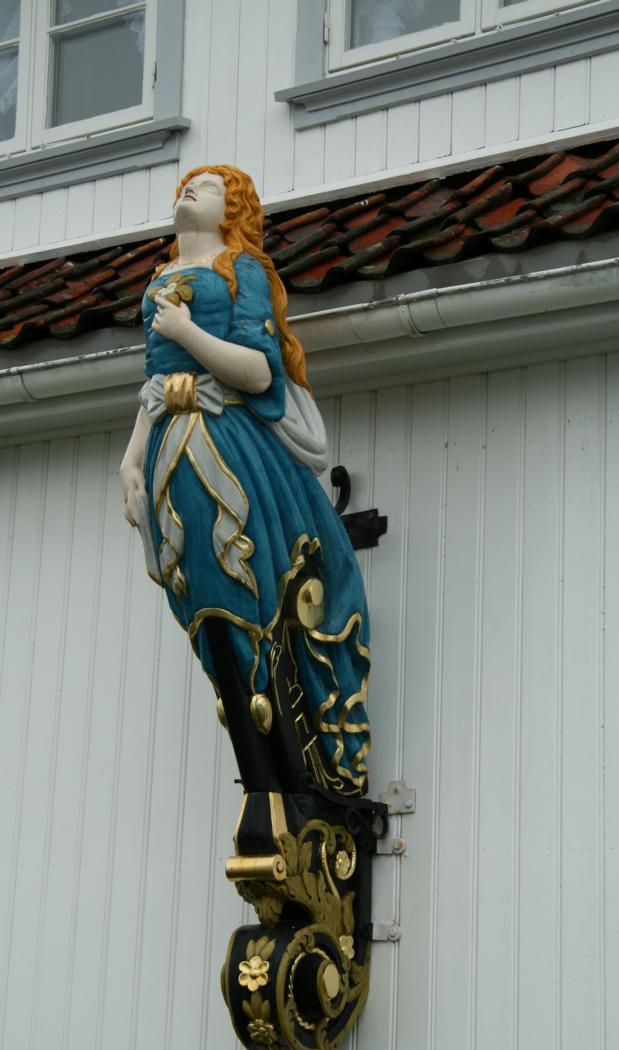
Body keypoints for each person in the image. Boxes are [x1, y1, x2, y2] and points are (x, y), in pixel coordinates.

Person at [120, 165, 371, 796]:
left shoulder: (243, 270)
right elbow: (155, 384)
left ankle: (280, 724)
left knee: (246, 571)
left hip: (227, 440)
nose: (189, 190)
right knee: (199, 583)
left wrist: (185, 331)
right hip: (170, 446)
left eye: (207, 188)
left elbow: (259, 372)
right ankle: (241, 700)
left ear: (232, 210)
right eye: (186, 184)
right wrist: (130, 460)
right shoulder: (160, 278)